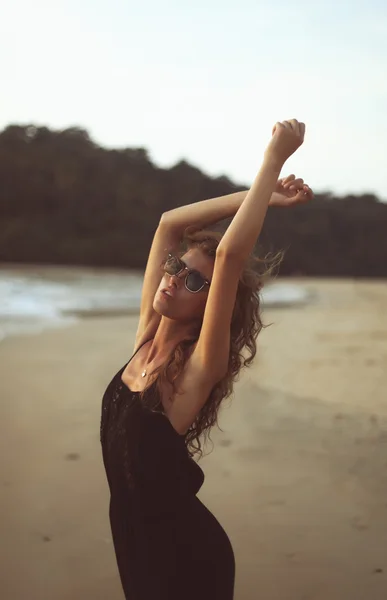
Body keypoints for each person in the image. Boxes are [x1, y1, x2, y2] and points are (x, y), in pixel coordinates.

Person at [100, 119, 313, 599]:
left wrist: (273, 159)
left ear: (208, 305)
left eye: (195, 282)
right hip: (133, 538)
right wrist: (267, 196)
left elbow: (231, 257)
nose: (173, 279)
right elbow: (170, 224)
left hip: (184, 551)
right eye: (176, 268)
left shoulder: (195, 368)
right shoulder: (146, 336)